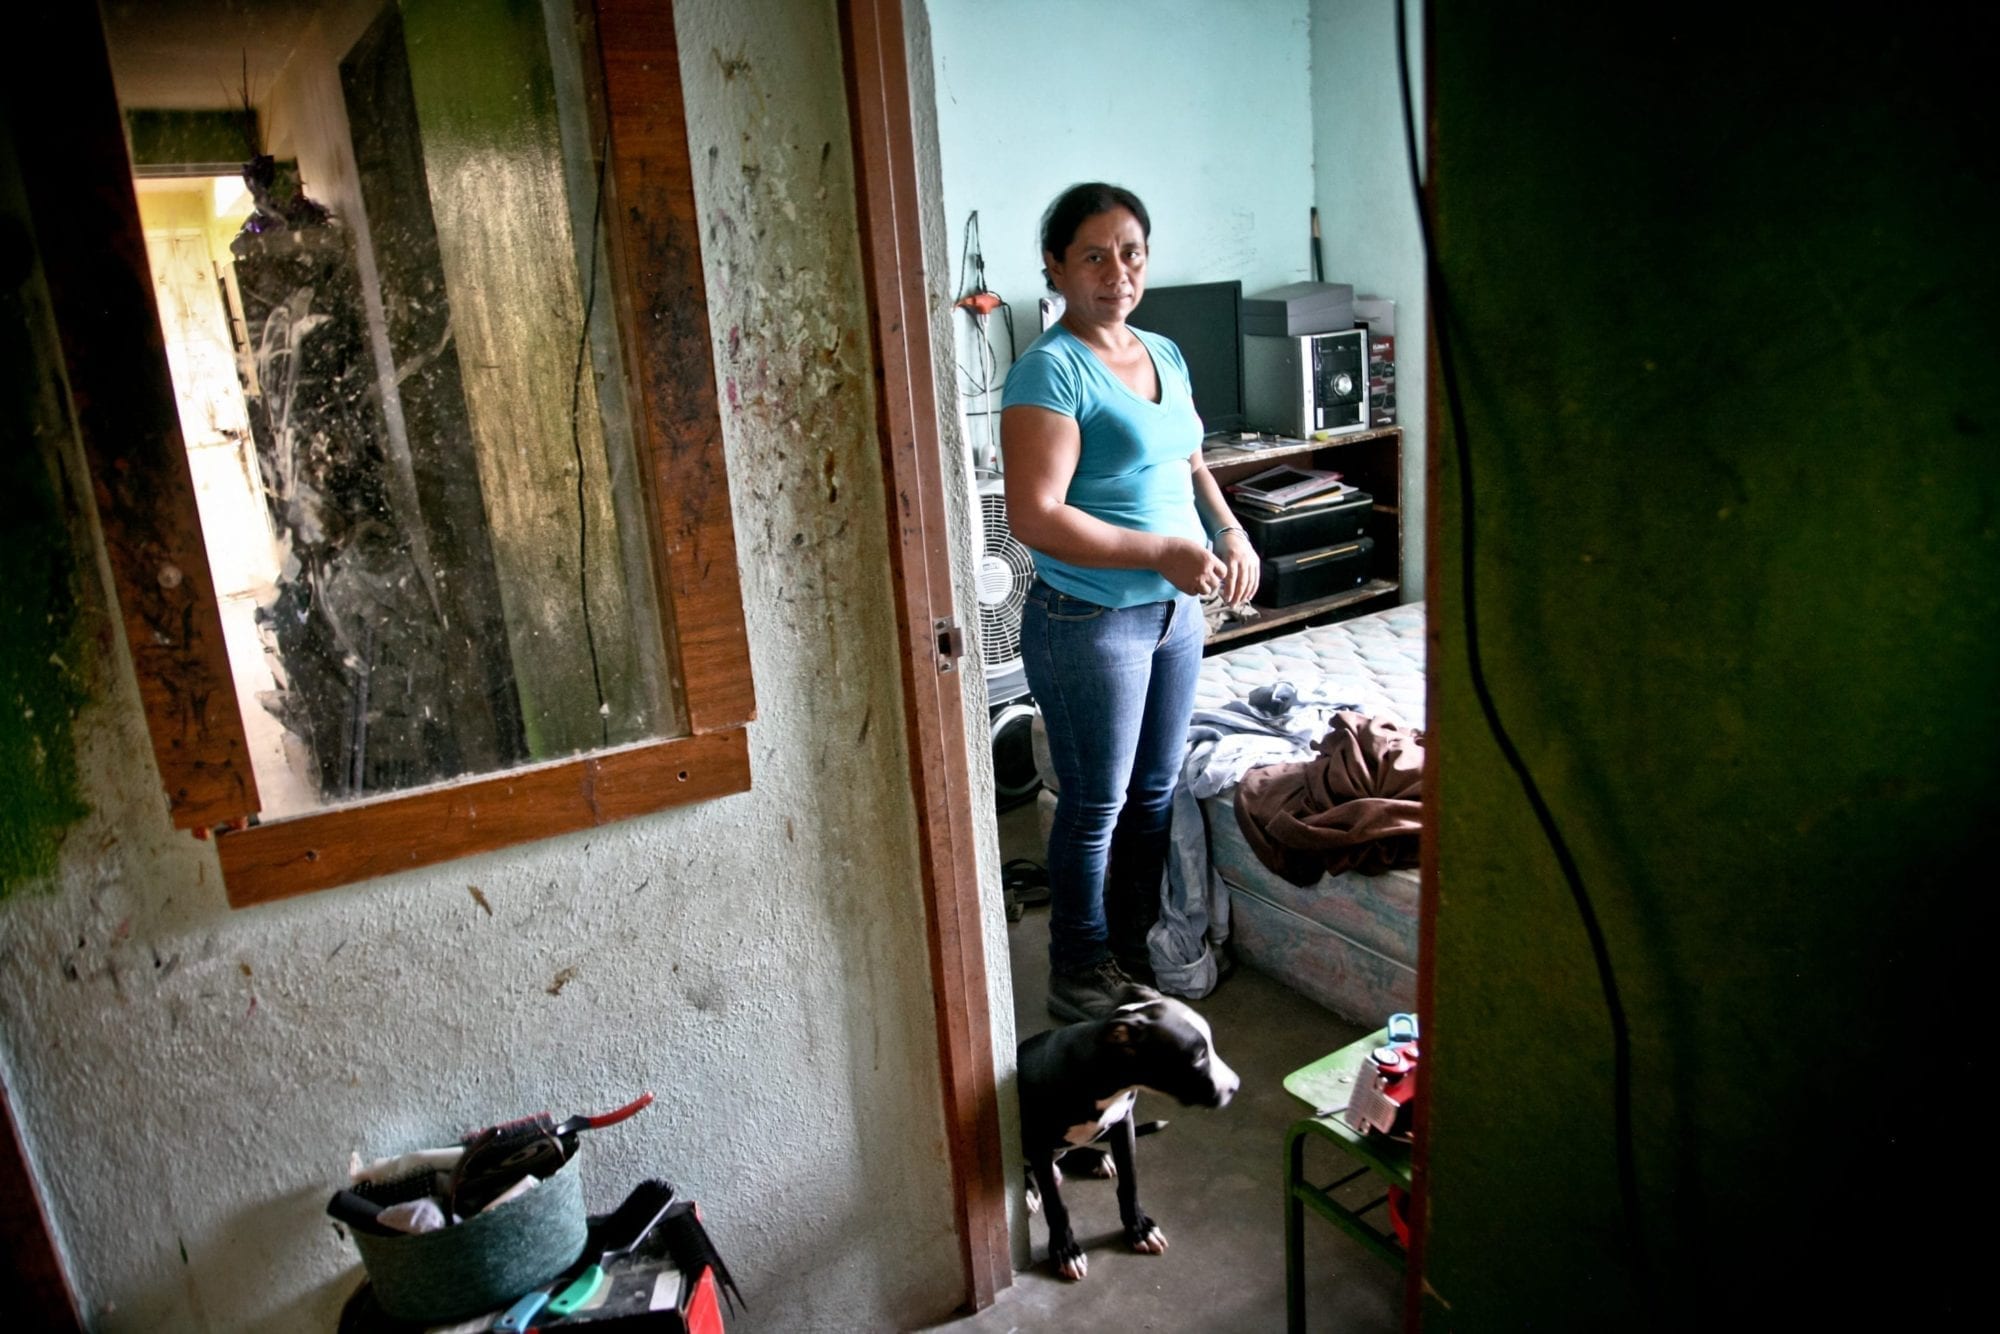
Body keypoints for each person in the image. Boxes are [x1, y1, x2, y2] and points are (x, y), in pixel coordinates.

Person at [1000, 182, 1259, 1021]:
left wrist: (1230, 531)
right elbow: (1038, 517)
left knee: (1153, 793)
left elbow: (1189, 459)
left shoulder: (1163, 351)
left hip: (1175, 613)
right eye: (1095, 255)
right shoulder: (1048, 371)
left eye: (1132, 252)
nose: (1118, 271)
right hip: (1090, 619)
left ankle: (1132, 945)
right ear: (1056, 267)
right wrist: (1162, 551)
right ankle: (1077, 969)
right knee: (1095, 804)